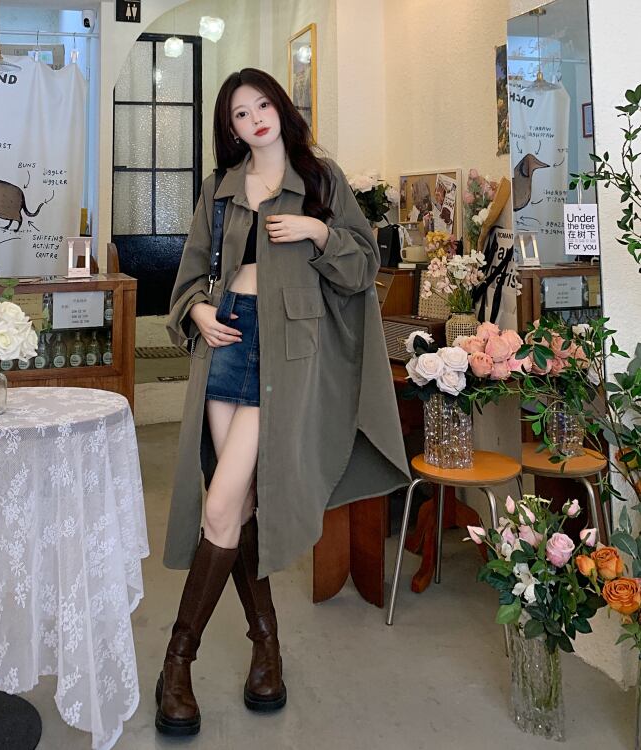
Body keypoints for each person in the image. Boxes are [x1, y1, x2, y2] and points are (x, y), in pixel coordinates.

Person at [160, 67, 409, 736]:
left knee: (221, 505)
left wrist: (318, 233)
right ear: (231, 129)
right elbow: (190, 275)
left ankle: (177, 663)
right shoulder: (219, 188)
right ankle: (266, 648)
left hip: (286, 353)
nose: (254, 120)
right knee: (237, 507)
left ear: (280, 108)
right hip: (227, 341)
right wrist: (198, 311)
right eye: (240, 114)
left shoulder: (320, 180)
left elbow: (363, 267)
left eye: (262, 105)